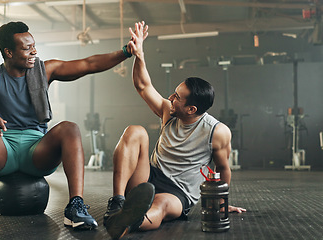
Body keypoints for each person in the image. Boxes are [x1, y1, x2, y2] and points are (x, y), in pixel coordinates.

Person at [0, 21, 142, 230]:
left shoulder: (45, 70)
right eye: (27, 48)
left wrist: (126, 52)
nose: (34, 51)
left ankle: (75, 207)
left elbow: (89, 64)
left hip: (37, 151)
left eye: (34, 45)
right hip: (3, 150)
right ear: (9, 52)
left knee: (70, 128)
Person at [103, 22, 246, 239]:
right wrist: (139, 55)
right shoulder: (168, 111)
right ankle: (117, 204)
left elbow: (223, 169)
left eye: (177, 97)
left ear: (191, 109)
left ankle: (128, 222)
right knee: (135, 131)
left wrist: (220, 204)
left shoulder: (217, 131)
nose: (170, 98)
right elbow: (143, 86)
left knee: (160, 203)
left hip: (178, 193)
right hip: (149, 177)